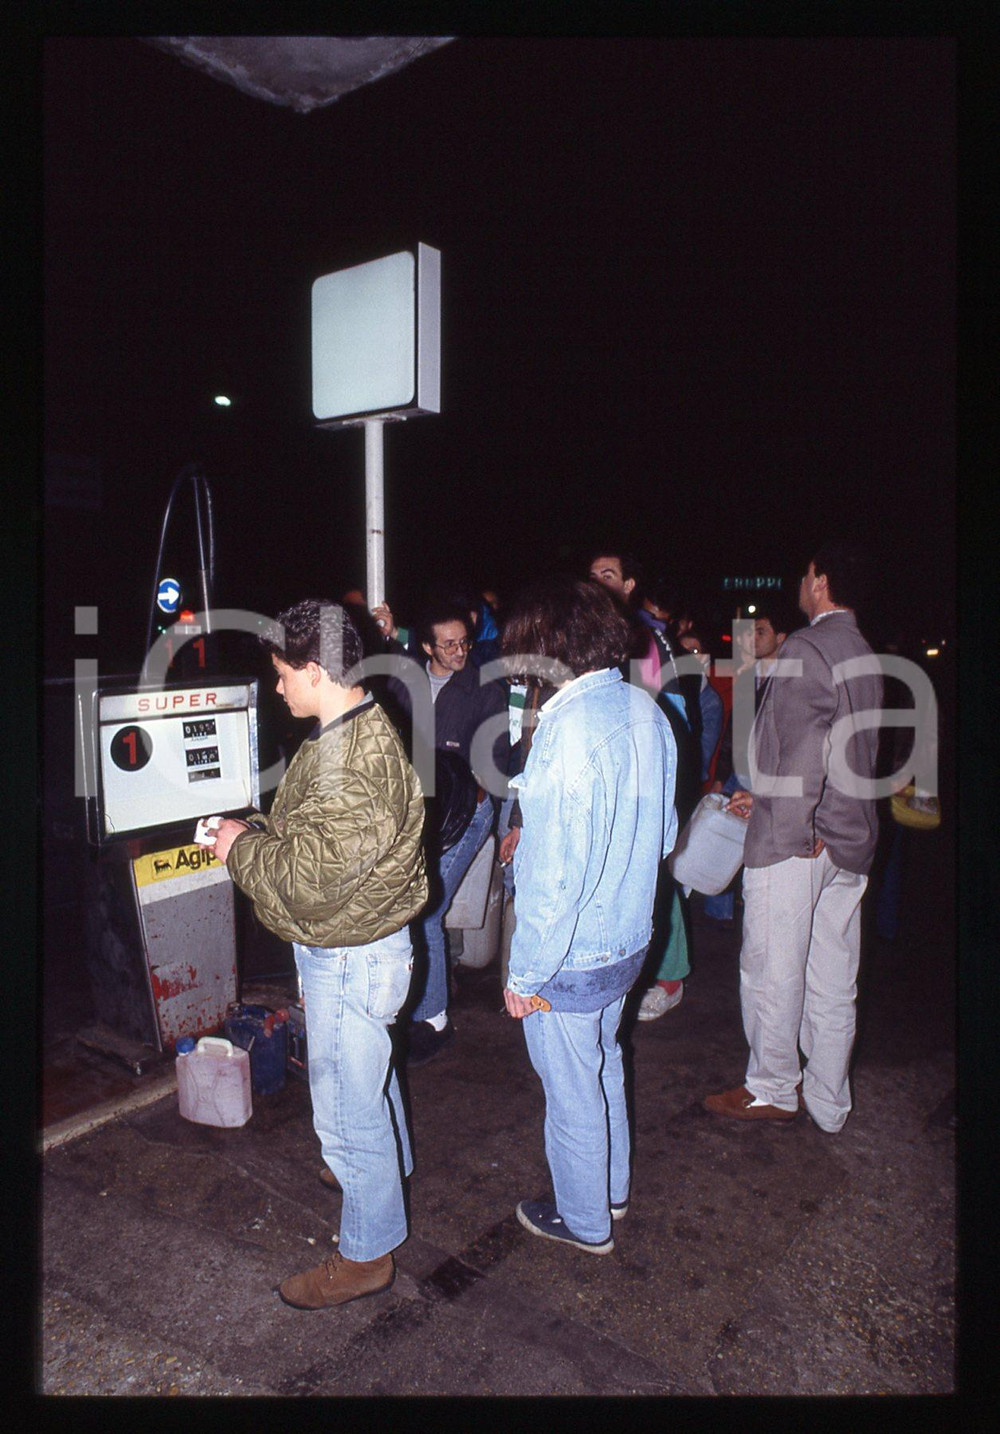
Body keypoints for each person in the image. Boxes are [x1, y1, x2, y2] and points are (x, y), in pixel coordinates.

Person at [208, 599, 427, 1310]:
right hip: (357, 946)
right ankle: (379, 1174)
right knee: (370, 1083)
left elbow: (305, 877)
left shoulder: (351, 762)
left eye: (281, 675)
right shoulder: (346, 726)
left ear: (314, 671)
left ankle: (366, 1255)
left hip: (352, 955)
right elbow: (314, 838)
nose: (277, 689)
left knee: (343, 1106)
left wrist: (239, 848)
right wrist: (257, 827)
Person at [502, 577, 677, 1253]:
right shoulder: (645, 709)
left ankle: (584, 1221)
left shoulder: (565, 730)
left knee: (572, 1091)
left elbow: (553, 882)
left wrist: (524, 975)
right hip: (630, 939)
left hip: (571, 957)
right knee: (606, 1062)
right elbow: (661, 837)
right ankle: (612, 1190)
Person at [704, 543, 883, 1131]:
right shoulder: (862, 649)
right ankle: (831, 1103)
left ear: (821, 582)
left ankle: (773, 1088)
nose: (800, 584)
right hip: (848, 841)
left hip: (800, 841)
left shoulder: (809, 647)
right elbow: (845, 751)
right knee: (833, 978)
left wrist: (794, 819)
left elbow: (807, 751)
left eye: (806, 576)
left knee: (771, 967)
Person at [383, 598, 510, 1064]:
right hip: (419, 807)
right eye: (450, 644)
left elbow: (495, 759)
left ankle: (434, 1018)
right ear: (426, 646)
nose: (460, 651)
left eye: (465, 642)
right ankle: (416, 995)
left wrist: (477, 792)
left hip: (467, 809)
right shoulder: (405, 677)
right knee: (403, 905)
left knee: (427, 909)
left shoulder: (482, 688)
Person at [587, 554, 699, 1021]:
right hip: (607, 778)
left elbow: (675, 717)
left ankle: (670, 977)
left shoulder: (645, 639)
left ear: (630, 584)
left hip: (646, 777)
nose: (598, 583)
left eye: (608, 576)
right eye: (593, 576)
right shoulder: (589, 635)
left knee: (654, 874)